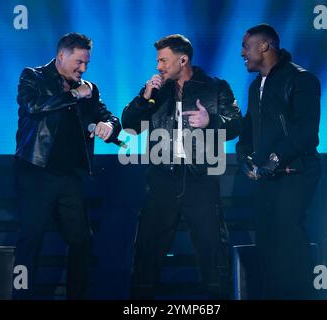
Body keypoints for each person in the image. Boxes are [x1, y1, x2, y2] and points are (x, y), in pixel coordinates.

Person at [122, 34, 242, 299]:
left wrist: (211, 120)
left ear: (183, 59)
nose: (159, 66)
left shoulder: (215, 87)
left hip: (200, 179)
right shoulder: (155, 89)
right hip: (162, 179)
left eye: (163, 60)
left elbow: (236, 124)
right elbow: (129, 125)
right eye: (158, 61)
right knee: (147, 250)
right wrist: (144, 97)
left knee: (213, 250)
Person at [14, 32, 121, 299]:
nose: (83, 69)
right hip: (37, 172)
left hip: (69, 176)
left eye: (86, 64)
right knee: (31, 240)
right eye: (79, 62)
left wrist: (110, 125)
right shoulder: (33, 77)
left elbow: (107, 115)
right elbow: (33, 105)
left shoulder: (88, 88)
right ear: (61, 55)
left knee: (82, 240)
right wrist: (75, 95)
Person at [236, 24, 321, 299]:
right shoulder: (255, 87)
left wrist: (274, 159)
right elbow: (248, 128)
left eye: (246, 46)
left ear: (264, 46)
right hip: (267, 177)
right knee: (267, 243)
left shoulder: (301, 79)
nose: (242, 53)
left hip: (295, 173)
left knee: (288, 240)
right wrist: (245, 156)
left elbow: (306, 131)